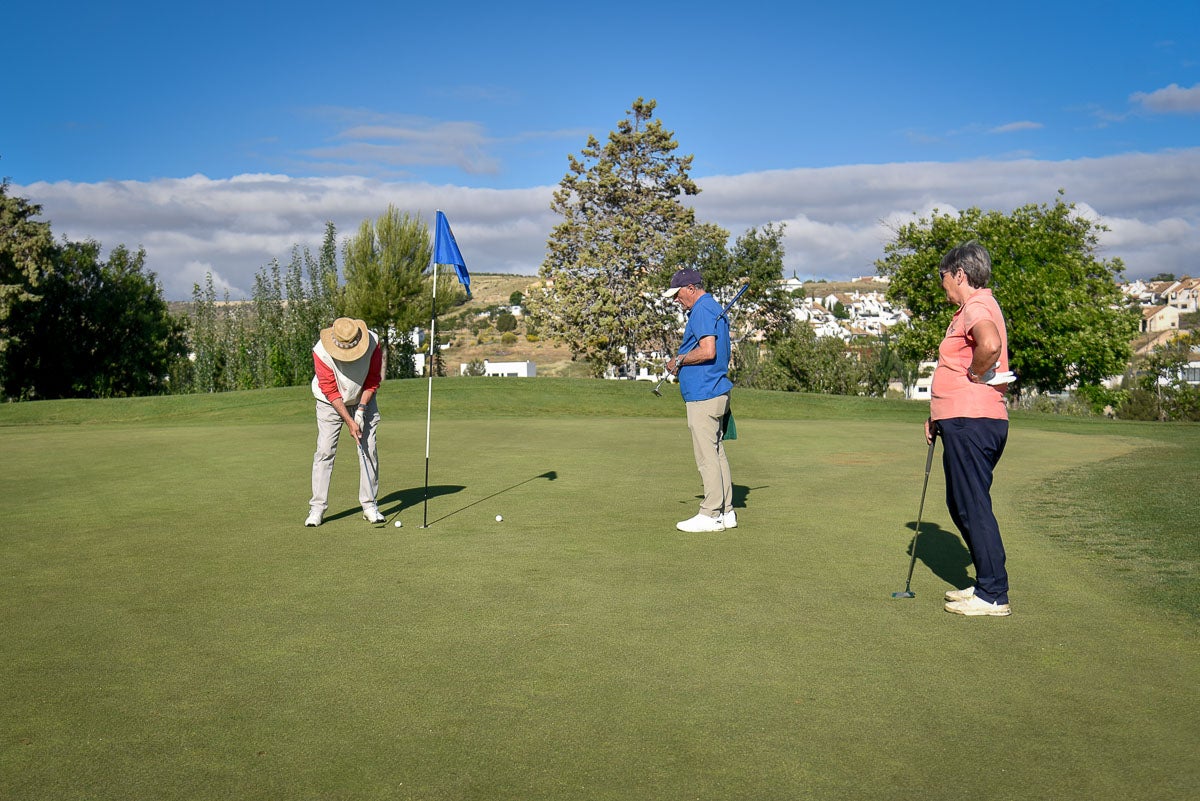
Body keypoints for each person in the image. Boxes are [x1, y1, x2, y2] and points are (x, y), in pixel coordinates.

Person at [926, 243, 1012, 616]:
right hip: (964, 419)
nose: (943, 285)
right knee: (962, 503)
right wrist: (938, 414)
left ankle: (993, 593)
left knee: (972, 505)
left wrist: (974, 375)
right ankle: (985, 584)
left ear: (959, 274)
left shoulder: (976, 306)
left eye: (943, 278)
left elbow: (990, 344)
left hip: (972, 420)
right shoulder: (974, 306)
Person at [664, 268, 736, 533]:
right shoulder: (709, 307)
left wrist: (679, 360)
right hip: (713, 390)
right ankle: (727, 512)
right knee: (716, 453)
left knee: (707, 457)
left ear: (691, 288)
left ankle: (710, 513)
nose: (676, 300)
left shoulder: (703, 310)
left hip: (705, 392)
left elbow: (707, 351)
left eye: (678, 294)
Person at [305, 317, 385, 527]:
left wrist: (361, 409)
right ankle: (317, 508)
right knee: (325, 451)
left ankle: (369, 505)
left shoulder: (373, 343)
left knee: (368, 449)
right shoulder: (321, 351)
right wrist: (350, 421)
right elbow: (330, 390)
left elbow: (373, 379)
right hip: (329, 402)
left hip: (363, 398)